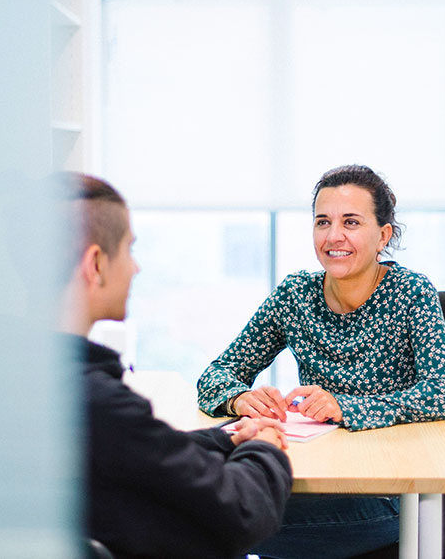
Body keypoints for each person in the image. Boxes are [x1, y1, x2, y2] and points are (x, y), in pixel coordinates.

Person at [196, 164, 445, 559]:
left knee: (216, 519)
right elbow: (217, 373)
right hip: (313, 476)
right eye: (323, 222)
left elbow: (444, 394)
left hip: (391, 491)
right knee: (213, 510)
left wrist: (346, 406)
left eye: (351, 222)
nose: (334, 236)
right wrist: (239, 399)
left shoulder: (411, 293)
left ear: (382, 235)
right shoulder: (295, 296)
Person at [54, 172, 293, 559]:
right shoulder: (99, 400)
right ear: (95, 264)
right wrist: (265, 449)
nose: (136, 268)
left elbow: (139, 451)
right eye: (129, 250)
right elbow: (244, 512)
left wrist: (226, 438)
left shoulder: (32, 382)